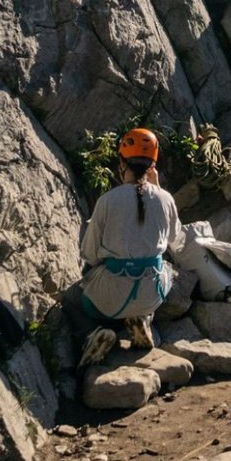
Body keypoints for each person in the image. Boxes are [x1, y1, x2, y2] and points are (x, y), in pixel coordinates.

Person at [67, 128, 185, 368]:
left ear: (122, 163)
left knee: (71, 298)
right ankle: (142, 318)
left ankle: (92, 334)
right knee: (167, 268)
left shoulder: (108, 200)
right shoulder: (166, 198)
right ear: (153, 165)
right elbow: (176, 239)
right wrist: (160, 188)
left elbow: (88, 253)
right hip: (152, 292)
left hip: (111, 294)